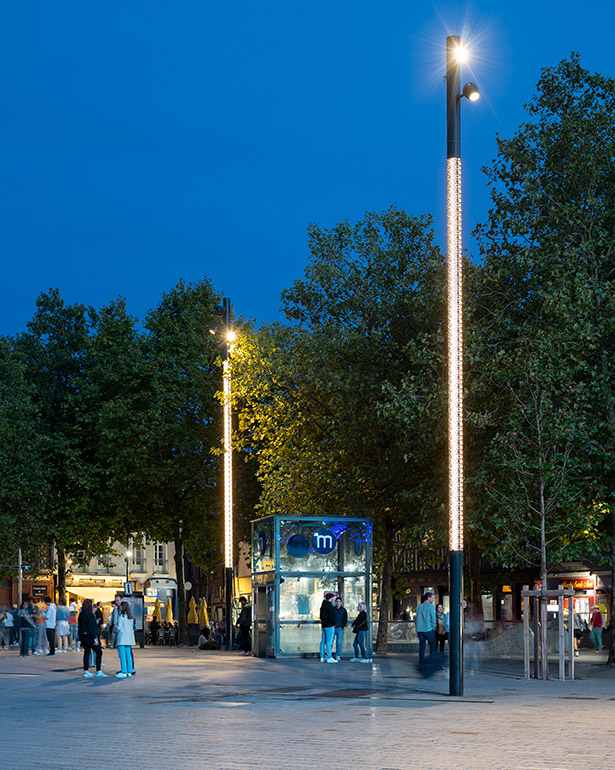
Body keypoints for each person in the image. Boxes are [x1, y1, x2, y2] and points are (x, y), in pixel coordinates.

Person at [78, 598, 106, 678]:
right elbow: (91, 628)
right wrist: (95, 638)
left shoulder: (81, 614)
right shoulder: (90, 615)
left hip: (83, 636)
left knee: (87, 652)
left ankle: (86, 671)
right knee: (99, 652)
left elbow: (80, 626)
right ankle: (98, 670)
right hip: (90, 636)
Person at [114, 601, 136, 678]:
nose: (119, 607)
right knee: (128, 655)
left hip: (122, 638)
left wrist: (115, 629)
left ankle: (123, 671)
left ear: (123, 607)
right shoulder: (130, 616)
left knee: (122, 656)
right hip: (129, 638)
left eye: (120, 606)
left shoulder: (121, 616)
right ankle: (129, 671)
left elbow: (119, 627)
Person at [415, 592, 436, 663]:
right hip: (429, 629)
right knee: (432, 647)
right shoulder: (430, 606)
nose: (433, 599)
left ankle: (422, 661)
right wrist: (434, 627)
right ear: (428, 598)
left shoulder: (418, 607)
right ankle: (432, 661)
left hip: (420, 630)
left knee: (422, 647)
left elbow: (416, 618)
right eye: (432, 598)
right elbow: (433, 618)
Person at [319, 592, 338, 663]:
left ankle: (321, 657)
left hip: (324, 625)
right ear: (330, 598)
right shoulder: (330, 607)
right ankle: (329, 657)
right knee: (329, 642)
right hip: (329, 626)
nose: (334, 600)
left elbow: (321, 617)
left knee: (323, 641)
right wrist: (333, 623)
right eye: (333, 598)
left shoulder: (323, 606)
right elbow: (332, 617)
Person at [332, 596, 348, 661]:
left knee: (338, 642)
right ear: (335, 602)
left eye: (339, 601)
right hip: (333, 628)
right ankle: (329, 655)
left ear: (341, 602)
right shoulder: (333, 609)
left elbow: (345, 619)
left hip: (339, 628)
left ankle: (337, 655)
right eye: (337, 601)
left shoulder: (344, 610)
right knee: (331, 642)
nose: (338, 603)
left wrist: (342, 626)